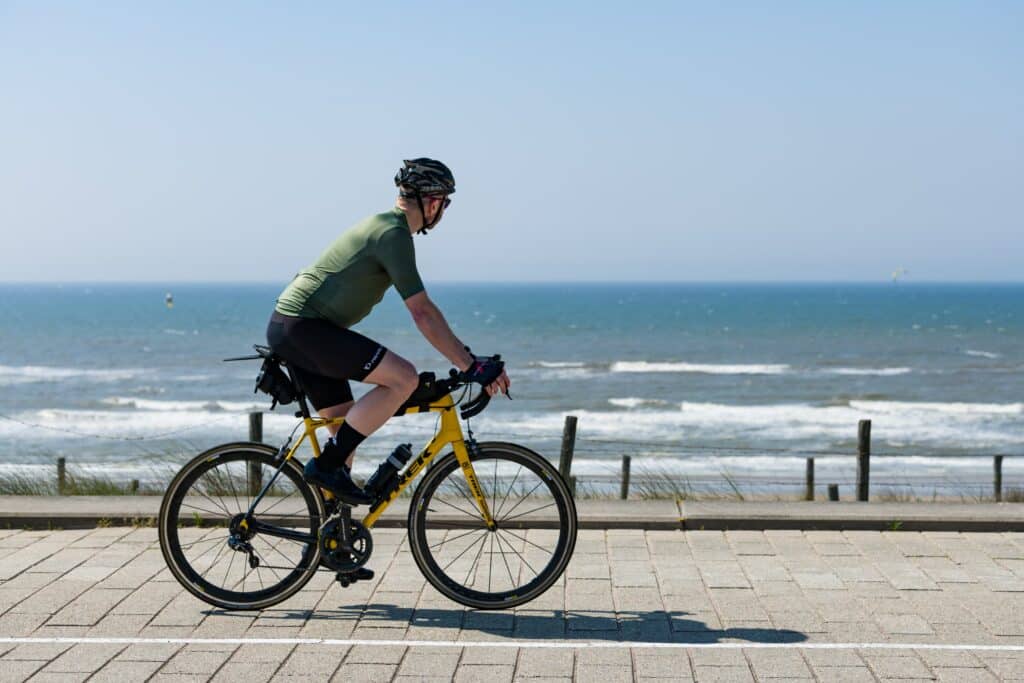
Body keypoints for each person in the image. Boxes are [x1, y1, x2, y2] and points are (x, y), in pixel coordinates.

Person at [266, 158, 510, 568]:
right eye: (444, 202)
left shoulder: (388, 228)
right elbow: (422, 313)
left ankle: (331, 542)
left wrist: (467, 358)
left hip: (297, 328)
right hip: (304, 329)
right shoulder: (393, 234)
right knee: (403, 378)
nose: (444, 210)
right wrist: (470, 365)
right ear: (430, 201)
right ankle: (325, 467)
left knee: (343, 429)